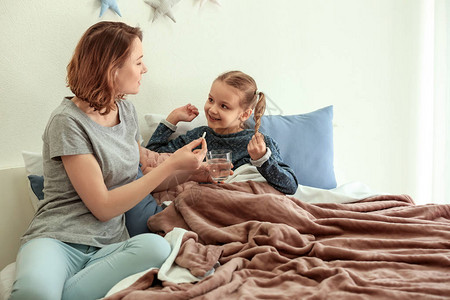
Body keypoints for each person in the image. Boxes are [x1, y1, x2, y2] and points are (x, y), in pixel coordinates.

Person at [9, 21, 208, 300]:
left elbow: (142, 175)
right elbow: (102, 207)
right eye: (138, 62)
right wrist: (170, 164)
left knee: (158, 248)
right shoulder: (67, 122)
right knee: (34, 292)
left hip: (110, 246)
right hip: (58, 241)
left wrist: (194, 170)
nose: (145, 69)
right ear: (112, 68)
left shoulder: (126, 111)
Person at [146, 70, 298, 195]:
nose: (212, 109)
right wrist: (172, 120)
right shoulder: (198, 137)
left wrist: (262, 160)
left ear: (244, 114)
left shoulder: (258, 144)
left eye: (224, 106)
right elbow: (152, 156)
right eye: (211, 100)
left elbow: (290, 186)